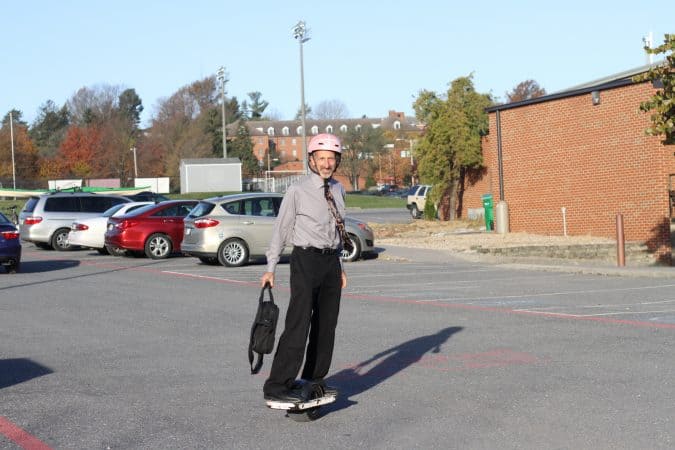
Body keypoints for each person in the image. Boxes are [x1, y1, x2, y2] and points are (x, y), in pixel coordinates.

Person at [261, 133, 348, 402]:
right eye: (321, 158)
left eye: (331, 158)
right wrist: (271, 267)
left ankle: (314, 380)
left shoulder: (338, 189)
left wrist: (341, 266)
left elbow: (337, 230)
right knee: (298, 324)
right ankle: (277, 386)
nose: (326, 163)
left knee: (326, 326)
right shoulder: (297, 190)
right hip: (305, 260)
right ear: (312, 160)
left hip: (330, 262)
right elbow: (281, 228)